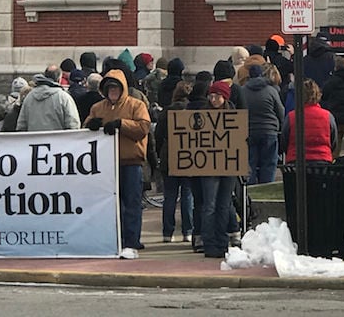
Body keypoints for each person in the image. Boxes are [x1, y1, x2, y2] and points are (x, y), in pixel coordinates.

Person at [84, 69, 151, 253]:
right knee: (110, 204)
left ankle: (132, 240)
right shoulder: (98, 108)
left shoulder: (136, 105)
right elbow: (85, 129)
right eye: (109, 89)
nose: (112, 92)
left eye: (115, 88)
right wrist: (90, 125)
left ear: (122, 89)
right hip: (107, 164)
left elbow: (143, 128)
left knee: (132, 203)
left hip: (131, 162)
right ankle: (114, 238)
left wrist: (122, 124)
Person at [197, 81, 237, 258]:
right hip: (209, 166)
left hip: (229, 165)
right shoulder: (202, 115)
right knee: (210, 205)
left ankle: (222, 241)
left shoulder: (234, 115)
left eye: (217, 96)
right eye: (211, 96)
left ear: (225, 97)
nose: (213, 99)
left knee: (224, 204)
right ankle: (209, 243)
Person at [155, 80, 195, 243]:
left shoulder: (166, 111)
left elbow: (158, 135)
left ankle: (167, 232)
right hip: (188, 155)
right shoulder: (192, 110)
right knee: (187, 195)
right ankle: (187, 231)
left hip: (169, 154)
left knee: (169, 196)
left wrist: (159, 153)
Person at [241, 65, 284, 184]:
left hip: (249, 131)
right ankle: (267, 186)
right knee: (269, 162)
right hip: (269, 131)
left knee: (251, 162)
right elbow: (280, 111)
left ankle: (250, 188)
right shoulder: (271, 91)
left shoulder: (243, 91)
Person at [280, 79, 337, 164]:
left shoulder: (291, 116)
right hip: (322, 161)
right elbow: (333, 141)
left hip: (295, 161)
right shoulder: (328, 116)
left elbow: (284, 140)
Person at [17, 65, 81, 132]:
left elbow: (21, 126)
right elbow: (73, 125)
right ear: (59, 79)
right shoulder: (64, 98)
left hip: (34, 141)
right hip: (58, 141)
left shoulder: (29, 97)